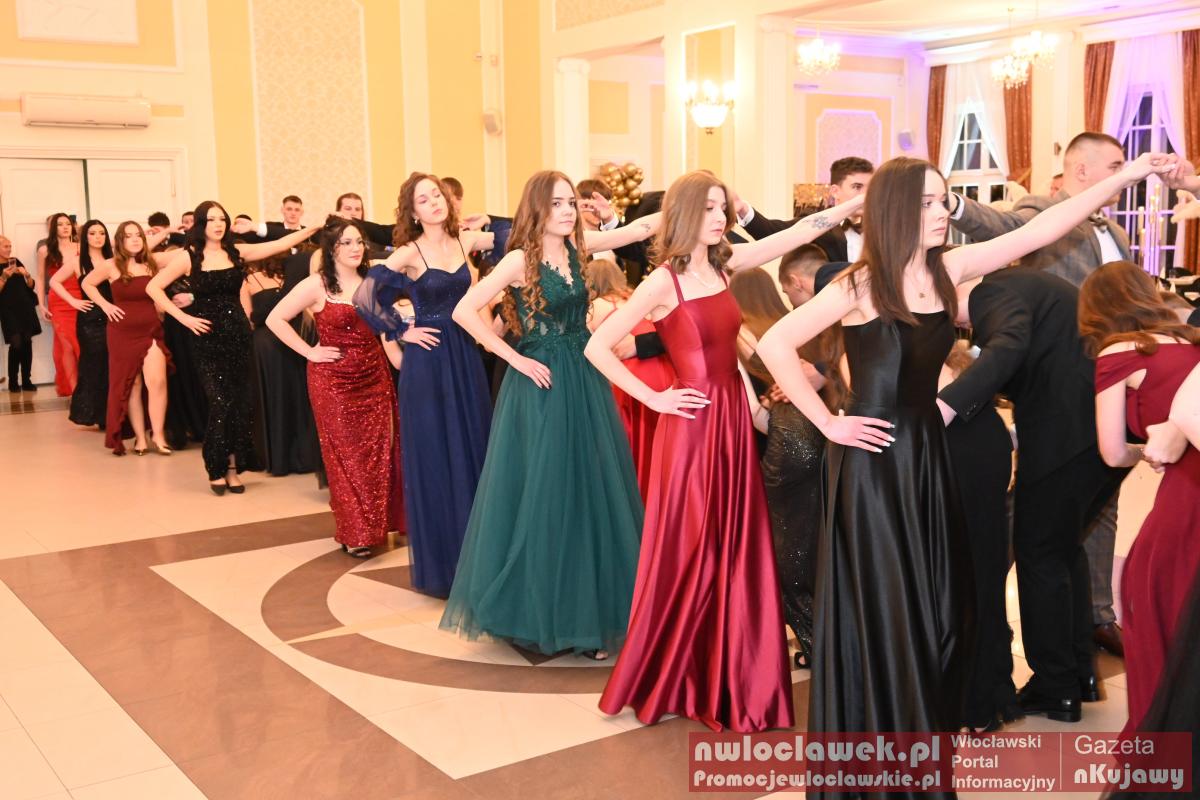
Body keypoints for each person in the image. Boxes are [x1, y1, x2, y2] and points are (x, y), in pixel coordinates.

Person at [755, 153, 1171, 785]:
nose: (940, 213)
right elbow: (774, 342)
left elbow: (1043, 228)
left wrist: (1125, 178)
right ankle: (879, 758)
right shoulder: (859, 285)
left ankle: (920, 740)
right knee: (886, 603)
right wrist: (829, 422)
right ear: (897, 210)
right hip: (873, 464)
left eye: (943, 199)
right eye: (926, 203)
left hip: (927, 454)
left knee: (939, 602)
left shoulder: (947, 269)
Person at [587, 172, 860, 732]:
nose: (721, 218)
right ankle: (674, 672)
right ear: (686, 213)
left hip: (731, 419)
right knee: (691, 548)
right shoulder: (662, 281)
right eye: (710, 209)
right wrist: (655, 398)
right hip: (691, 430)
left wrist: (853, 205)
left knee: (734, 545)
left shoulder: (724, 266)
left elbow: (797, 233)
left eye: (723, 208)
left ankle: (728, 668)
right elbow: (598, 347)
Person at [440, 170, 660, 658]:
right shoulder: (519, 260)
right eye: (557, 203)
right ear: (538, 208)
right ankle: (548, 613)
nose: (567, 210)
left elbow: (639, 230)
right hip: (542, 385)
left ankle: (592, 613)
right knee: (550, 493)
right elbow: (463, 311)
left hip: (584, 378)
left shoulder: (580, 249)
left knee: (590, 489)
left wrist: (687, 207)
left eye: (571, 203)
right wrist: (514, 357)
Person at [950, 132, 1136, 656]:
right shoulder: (1040, 209)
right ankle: (980, 599)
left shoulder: (1115, 231)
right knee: (1034, 519)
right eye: (1115, 166)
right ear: (1081, 170)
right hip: (1057, 383)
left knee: (1098, 506)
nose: (1123, 176)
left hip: (1108, 377)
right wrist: (953, 206)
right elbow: (998, 225)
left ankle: (1096, 612)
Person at [936, 268, 1125, 727]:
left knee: (1039, 555)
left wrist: (942, 407)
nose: (952, 323)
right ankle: (1078, 675)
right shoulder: (1027, 290)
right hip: (1094, 435)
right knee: (1063, 552)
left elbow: (1009, 348)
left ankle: (1055, 686)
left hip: (1065, 438)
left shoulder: (992, 292)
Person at [352, 172, 495, 597]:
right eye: (423, 199)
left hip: (465, 356)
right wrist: (401, 330)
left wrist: (490, 219)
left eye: (437, 195)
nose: (434, 202)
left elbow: (515, 239)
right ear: (412, 212)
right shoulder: (409, 252)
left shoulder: (467, 241)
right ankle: (445, 568)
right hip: (428, 362)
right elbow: (365, 297)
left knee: (473, 450)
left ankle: (480, 561)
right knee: (436, 456)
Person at [1079, 260, 1200, 731]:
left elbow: (1111, 452)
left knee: (1153, 605)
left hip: (1183, 494)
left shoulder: (1118, 352)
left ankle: (1160, 737)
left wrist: (1146, 451)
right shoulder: (1191, 342)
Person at [147, 201, 318, 494]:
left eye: (222, 219)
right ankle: (215, 467)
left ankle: (232, 468)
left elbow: (279, 244)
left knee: (240, 404)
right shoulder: (188, 256)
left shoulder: (236, 252)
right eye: (211, 219)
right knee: (220, 402)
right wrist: (184, 318)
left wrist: (313, 228)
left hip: (238, 335)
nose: (218, 224)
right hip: (207, 338)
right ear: (201, 224)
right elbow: (153, 287)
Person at [266, 217, 402, 557]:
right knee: (346, 457)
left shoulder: (373, 282)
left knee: (376, 455)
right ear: (332, 249)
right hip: (334, 382)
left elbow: (388, 329)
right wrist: (309, 351)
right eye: (347, 243)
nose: (356, 249)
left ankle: (373, 525)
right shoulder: (317, 285)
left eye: (359, 242)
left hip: (374, 377)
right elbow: (274, 319)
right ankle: (355, 531)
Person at [937, 336, 1017, 732]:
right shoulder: (959, 358)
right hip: (982, 448)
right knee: (981, 578)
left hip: (960, 458)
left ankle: (976, 700)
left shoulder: (926, 358)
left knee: (964, 583)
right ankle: (988, 696)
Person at [585, 258, 674, 500]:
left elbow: (591, 354)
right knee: (660, 441)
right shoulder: (636, 297)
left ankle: (638, 498)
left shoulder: (593, 308)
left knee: (632, 443)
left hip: (630, 376)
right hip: (662, 370)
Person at [81, 221, 174, 456]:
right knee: (132, 384)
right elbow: (87, 283)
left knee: (157, 381)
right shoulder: (111, 265)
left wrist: (172, 231)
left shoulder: (153, 262)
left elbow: (185, 255)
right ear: (120, 241)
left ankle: (158, 435)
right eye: (128, 236)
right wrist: (105, 305)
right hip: (121, 332)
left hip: (151, 329)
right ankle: (140, 438)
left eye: (138, 235)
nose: (134, 239)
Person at [241, 253, 320, 476]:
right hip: (291, 340)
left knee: (277, 397)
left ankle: (280, 458)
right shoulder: (293, 279)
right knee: (297, 396)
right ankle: (304, 456)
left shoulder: (249, 281)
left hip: (269, 345)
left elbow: (247, 320)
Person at [740, 156, 874, 262]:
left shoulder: (880, 228)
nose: (865, 194)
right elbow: (771, 232)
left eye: (870, 187)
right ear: (835, 191)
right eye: (857, 187)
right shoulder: (816, 225)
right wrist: (742, 210)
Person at [52, 220, 112, 427]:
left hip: (113, 315)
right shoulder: (78, 261)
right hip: (90, 320)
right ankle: (92, 414)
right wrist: (72, 301)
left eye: (101, 233)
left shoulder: (113, 259)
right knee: (93, 364)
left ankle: (110, 415)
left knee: (112, 365)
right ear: (85, 237)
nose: (98, 237)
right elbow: (54, 281)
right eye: (92, 233)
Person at [38, 212, 81, 395]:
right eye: (60, 224)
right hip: (58, 302)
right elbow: (41, 278)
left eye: (68, 224)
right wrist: (41, 304)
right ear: (53, 228)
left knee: (81, 344)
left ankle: (86, 387)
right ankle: (74, 390)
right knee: (67, 346)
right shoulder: (45, 250)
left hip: (80, 298)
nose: (65, 227)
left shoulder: (81, 247)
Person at [0, 235, 41, 392]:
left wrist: (26, 274)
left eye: (10, 246)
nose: (9, 249)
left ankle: (26, 381)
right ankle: (13, 382)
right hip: (8, 310)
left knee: (27, 342)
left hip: (25, 307)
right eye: (6, 246)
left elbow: (31, 286)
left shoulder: (15, 261)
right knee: (16, 343)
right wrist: (4, 277)